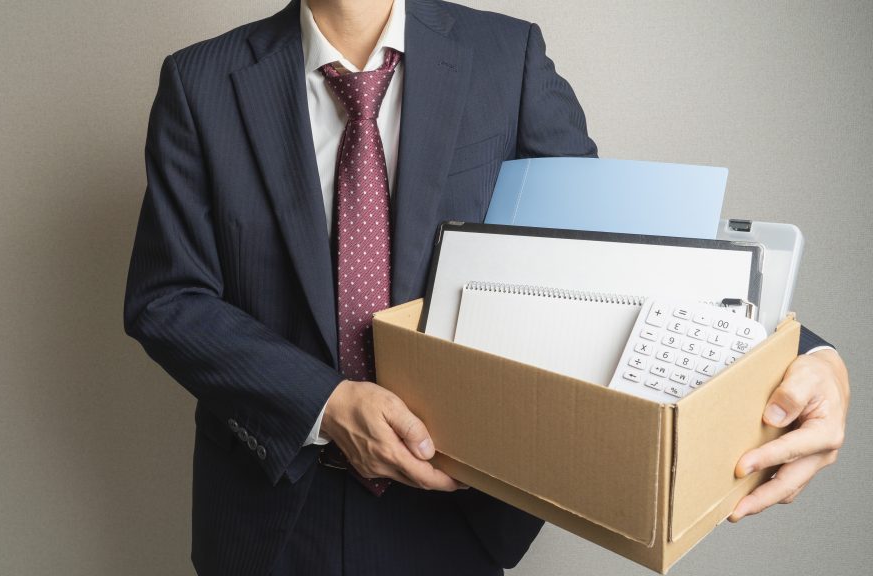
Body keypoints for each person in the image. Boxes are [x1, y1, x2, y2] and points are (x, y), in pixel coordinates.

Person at [123, 1, 851, 574]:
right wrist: (326, 402)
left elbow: (613, 249)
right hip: (270, 509)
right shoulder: (200, 81)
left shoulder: (509, 58)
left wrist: (801, 356)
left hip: (461, 504)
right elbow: (168, 297)